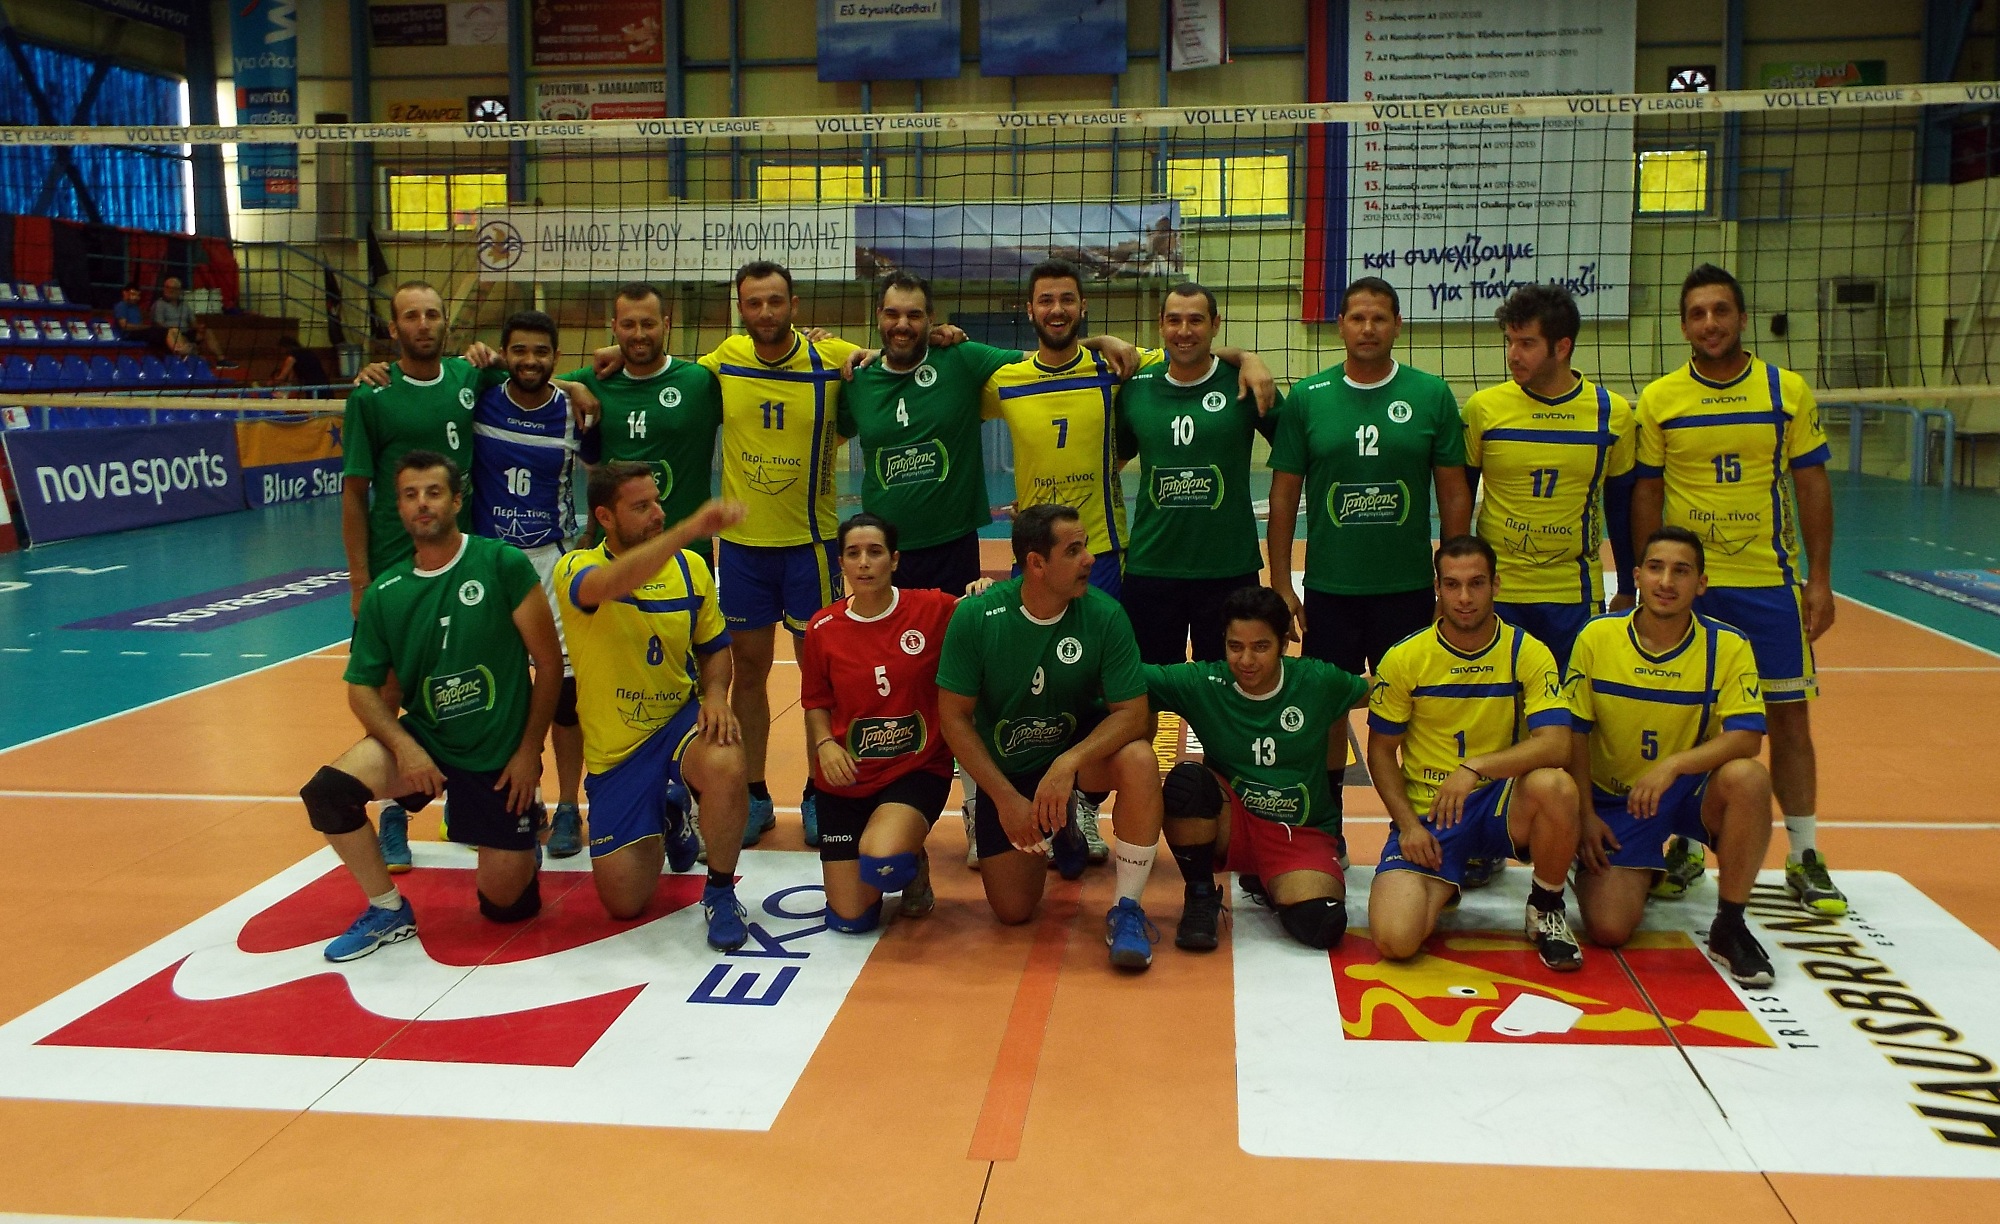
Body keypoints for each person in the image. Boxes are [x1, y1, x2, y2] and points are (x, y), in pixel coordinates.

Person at [1632, 264, 1841, 915]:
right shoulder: (1660, 399)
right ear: (1683, 325)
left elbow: (1811, 485)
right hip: (1690, 590)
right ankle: (1687, 845)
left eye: (1721, 310)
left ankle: (1805, 855)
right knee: (1687, 719)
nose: (1710, 323)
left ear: (1742, 318)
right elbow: (1646, 493)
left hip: (1767, 584)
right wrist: (1645, 577)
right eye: (1697, 313)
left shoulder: (1785, 390)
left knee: (1788, 719)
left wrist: (1820, 579)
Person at [297, 451, 561, 962]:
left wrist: (529, 752)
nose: (422, 503)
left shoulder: (501, 564)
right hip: (430, 741)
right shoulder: (386, 593)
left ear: (456, 501)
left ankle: (524, 833)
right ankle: (387, 909)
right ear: (398, 507)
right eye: (410, 495)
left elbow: (549, 665)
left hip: (498, 756)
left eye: (434, 492)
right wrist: (405, 747)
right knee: (327, 794)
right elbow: (361, 689)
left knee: (506, 907)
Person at [1265, 275, 1472, 846]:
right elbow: (1283, 497)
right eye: (1357, 317)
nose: (1368, 328)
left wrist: (1450, 582)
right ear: (1341, 326)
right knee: (1327, 710)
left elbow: (1455, 494)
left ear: (1397, 325)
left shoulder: (1431, 394)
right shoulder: (1309, 397)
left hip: (1407, 589)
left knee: (1416, 710)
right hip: (1330, 590)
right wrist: (1281, 583)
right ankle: (1326, 826)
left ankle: (1422, 824)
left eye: (1379, 318)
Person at [936, 503, 1167, 970]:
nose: (1090, 560)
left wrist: (1067, 764)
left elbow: (1132, 714)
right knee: (1013, 911)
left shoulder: (1104, 615)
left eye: (1087, 547)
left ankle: (1127, 908)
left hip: (1078, 762)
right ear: (1036, 563)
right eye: (1074, 550)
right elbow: (953, 719)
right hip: (1013, 770)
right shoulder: (978, 617)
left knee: (1140, 758)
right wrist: (1004, 799)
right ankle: (1065, 833)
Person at [1563, 527, 1776, 987]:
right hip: (1615, 802)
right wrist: (1584, 815)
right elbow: (1574, 734)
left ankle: (1730, 924)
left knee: (1749, 778)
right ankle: (1635, 866)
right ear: (1637, 575)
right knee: (1609, 929)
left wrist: (1673, 765)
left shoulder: (1727, 645)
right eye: (1656, 568)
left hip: (1686, 791)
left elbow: (1747, 737)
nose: (1666, 581)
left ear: (1701, 583)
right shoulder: (1597, 636)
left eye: (1681, 571)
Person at [698, 260, 863, 850]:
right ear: (741, 309)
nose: (764, 312)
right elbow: (656, 372)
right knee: (748, 674)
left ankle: (821, 792)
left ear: (795, 306)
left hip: (810, 547)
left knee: (821, 675)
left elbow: (895, 354)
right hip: (744, 550)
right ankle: (755, 795)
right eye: (753, 303)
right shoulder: (725, 359)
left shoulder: (830, 358)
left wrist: (944, 335)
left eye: (775, 301)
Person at [554, 466, 753, 949]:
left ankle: (720, 891)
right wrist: (690, 528)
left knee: (726, 758)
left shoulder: (691, 568)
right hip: (617, 752)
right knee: (624, 902)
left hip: (677, 724)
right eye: (641, 507)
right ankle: (670, 812)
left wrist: (715, 696)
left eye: (657, 502)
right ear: (605, 516)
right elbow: (608, 584)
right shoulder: (574, 567)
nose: (658, 514)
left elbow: (714, 648)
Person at [1364, 536, 1583, 970]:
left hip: (1500, 803)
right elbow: (1381, 754)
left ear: (1496, 585)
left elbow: (1557, 743)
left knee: (1556, 786)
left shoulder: (1526, 650)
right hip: (1431, 813)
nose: (1464, 597)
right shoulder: (1405, 657)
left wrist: (1475, 768)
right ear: (1438, 588)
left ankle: (1546, 907)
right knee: (1395, 940)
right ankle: (1447, 876)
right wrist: (1409, 826)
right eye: (1453, 585)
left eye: (1476, 583)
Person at [340, 282, 496, 870]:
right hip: (393, 566)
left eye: (432, 314)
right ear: (394, 328)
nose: (424, 324)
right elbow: (354, 493)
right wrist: (360, 581)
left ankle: (467, 802)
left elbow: (535, 371)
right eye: (412, 316)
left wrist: (493, 357)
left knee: (469, 684)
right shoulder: (372, 394)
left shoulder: (468, 375)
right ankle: (391, 814)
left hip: (461, 564)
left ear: (445, 322)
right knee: (387, 693)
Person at [1145, 585, 1368, 953]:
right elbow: (1128, 678)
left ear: (1283, 644)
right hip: (1234, 825)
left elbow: (1382, 690)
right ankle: (1200, 896)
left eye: (1260, 647)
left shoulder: (1316, 680)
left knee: (1322, 926)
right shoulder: (1204, 682)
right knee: (1187, 785)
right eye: (1235, 646)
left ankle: (1270, 879)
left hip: (1301, 833)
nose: (1246, 660)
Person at [1460, 283, 1636, 672]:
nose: (1513, 354)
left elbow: (1622, 509)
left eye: (1526, 343)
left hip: (1574, 594)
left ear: (1562, 347)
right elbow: (1458, 502)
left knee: (1572, 704)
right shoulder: (1483, 409)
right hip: (1499, 592)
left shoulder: (1612, 414)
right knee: (1501, 706)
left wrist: (1627, 587)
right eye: (1510, 341)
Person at [799, 513, 959, 931]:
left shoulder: (932, 608)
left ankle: (909, 854)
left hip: (914, 768)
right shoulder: (823, 627)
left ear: (895, 559)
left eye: (875, 552)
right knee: (850, 918)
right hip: (849, 776)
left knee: (884, 860)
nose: (864, 563)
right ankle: (889, 847)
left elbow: (982, 613)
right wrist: (824, 745)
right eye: (853, 554)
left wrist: (982, 590)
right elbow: (815, 702)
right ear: (841, 564)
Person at [467, 309, 587, 857]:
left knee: (564, 697)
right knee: (500, 691)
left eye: (541, 352)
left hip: (550, 563)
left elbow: (603, 473)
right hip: (491, 563)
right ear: (504, 353)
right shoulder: (480, 398)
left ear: (556, 357)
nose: (530, 361)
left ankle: (568, 807)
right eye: (519, 351)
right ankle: (520, 799)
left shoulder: (574, 412)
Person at [1114, 281, 1281, 665]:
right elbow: (1114, 463)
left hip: (1229, 567)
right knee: (1149, 685)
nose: (1184, 331)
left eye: (1196, 320)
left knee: (1228, 684)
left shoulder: (1244, 382)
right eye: (1174, 320)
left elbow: (1295, 455)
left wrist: (1248, 357)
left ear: (1215, 324)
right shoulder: (1136, 388)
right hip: (1152, 566)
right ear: (1161, 324)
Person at [838, 272, 1019, 597]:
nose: (902, 324)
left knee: (954, 630)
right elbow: (827, 438)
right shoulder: (857, 380)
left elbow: (1046, 363)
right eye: (892, 314)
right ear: (878, 315)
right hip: (884, 551)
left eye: (914, 315)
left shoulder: (962, 359)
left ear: (931, 319)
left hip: (954, 548)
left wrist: (1101, 342)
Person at [570, 282, 724, 566]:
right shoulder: (593, 381)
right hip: (615, 552)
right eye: (628, 325)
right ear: (614, 327)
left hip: (687, 552)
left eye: (648, 324)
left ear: (666, 325)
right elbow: (518, 382)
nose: (639, 334)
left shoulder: (700, 382)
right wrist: (572, 388)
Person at [151, 276, 221, 362]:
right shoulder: (159, 304)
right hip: (169, 334)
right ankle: (192, 359)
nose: (170, 290)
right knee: (177, 333)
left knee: (207, 331)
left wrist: (199, 327)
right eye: (167, 287)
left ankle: (221, 359)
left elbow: (193, 322)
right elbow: (159, 324)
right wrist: (175, 330)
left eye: (174, 288)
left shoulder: (184, 305)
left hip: (185, 331)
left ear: (179, 290)